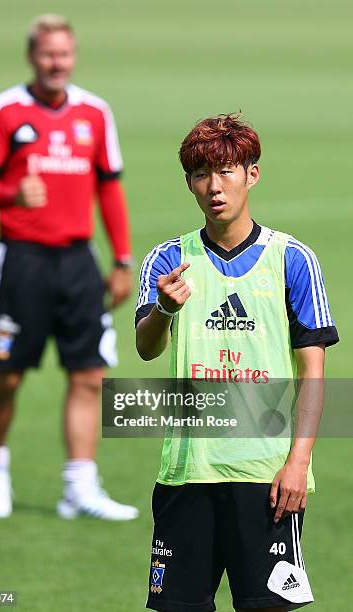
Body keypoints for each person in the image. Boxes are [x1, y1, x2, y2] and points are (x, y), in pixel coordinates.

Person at [136, 115, 338, 611]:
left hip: (267, 479)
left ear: (252, 174)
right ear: (189, 184)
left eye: (226, 171)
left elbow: (313, 370)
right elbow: (146, 348)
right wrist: (165, 309)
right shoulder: (167, 260)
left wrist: (298, 462)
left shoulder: (293, 259)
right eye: (202, 175)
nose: (214, 186)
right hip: (188, 474)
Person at [0, 14, 138, 521]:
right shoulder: (3, 110)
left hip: (77, 260)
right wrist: (10, 192)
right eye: (47, 54)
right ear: (32, 56)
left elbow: (109, 187)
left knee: (89, 374)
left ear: (74, 56)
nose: (56, 63)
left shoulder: (95, 112)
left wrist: (123, 259)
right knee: (9, 375)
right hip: (21, 259)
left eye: (64, 54)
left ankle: (79, 487)